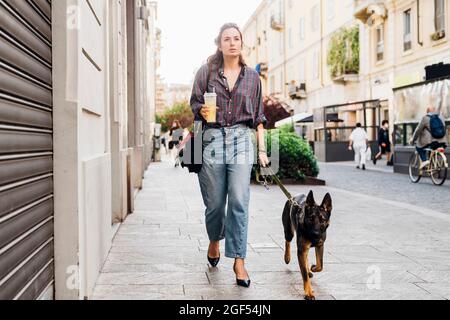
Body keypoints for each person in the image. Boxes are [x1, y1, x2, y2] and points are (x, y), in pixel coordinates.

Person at [190, 23, 269, 288]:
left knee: (239, 200)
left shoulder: (253, 78)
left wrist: (262, 151)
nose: (232, 42)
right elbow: (194, 102)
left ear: (241, 43)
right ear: (219, 43)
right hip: (212, 139)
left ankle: (239, 260)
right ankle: (215, 239)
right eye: (227, 38)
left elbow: (258, 118)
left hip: (240, 140)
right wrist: (201, 109)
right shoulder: (206, 72)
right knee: (214, 204)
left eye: (236, 38)